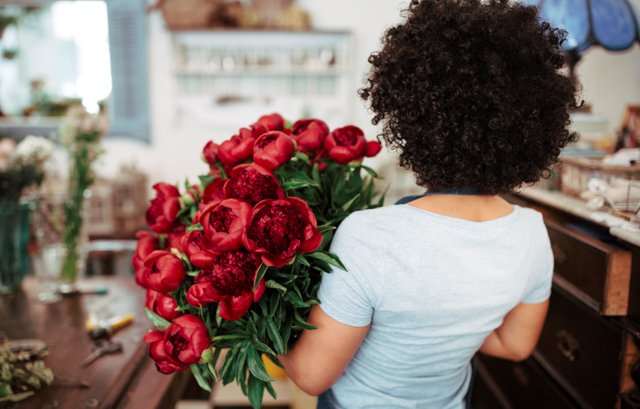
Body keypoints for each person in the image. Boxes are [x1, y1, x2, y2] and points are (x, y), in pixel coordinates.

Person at [279, 0, 580, 407]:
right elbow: (514, 345)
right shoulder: (531, 234)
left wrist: (267, 332)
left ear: (412, 116)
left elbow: (312, 376)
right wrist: (448, 329)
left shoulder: (369, 236)